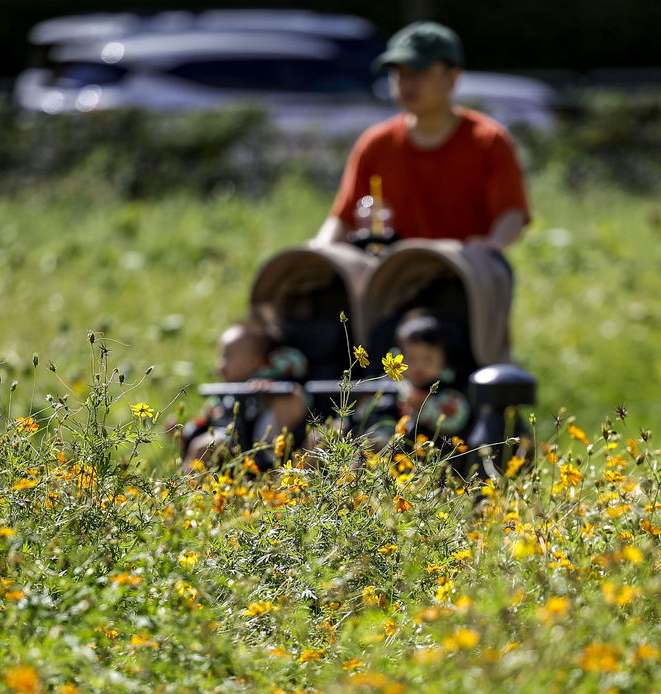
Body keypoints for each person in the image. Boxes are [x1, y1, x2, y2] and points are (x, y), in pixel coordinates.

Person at [311, 21, 530, 254]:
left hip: (466, 273)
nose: (407, 83)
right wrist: (318, 250)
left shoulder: (488, 140)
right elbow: (344, 219)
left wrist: (493, 245)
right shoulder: (376, 144)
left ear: (453, 77)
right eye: (399, 73)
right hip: (395, 276)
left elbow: (511, 214)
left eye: (419, 72)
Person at [181, 309, 309, 469]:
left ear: (254, 361)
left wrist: (270, 388)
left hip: (280, 434)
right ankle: (186, 487)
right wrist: (185, 433)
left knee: (292, 398)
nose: (220, 364)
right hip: (236, 441)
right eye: (220, 357)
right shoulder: (225, 395)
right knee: (202, 446)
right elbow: (206, 418)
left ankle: (276, 473)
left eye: (228, 356)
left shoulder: (274, 371)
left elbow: (297, 369)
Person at [394, 309, 470, 436]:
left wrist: (425, 409)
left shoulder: (450, 390)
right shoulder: (397, 387)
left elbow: (457, 420)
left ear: (443, 360)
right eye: (411, 358)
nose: (419, 366)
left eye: (428, 359)